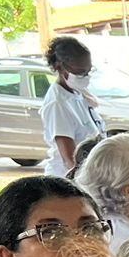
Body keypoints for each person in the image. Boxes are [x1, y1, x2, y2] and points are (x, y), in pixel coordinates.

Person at [41, 36, 104, 180]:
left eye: (88, 71)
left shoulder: (77, 93)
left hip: (89, 174)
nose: (85, 77)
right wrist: (89, 185)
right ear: (59, 67)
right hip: (70, 180)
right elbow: (69, 159)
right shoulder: (58, 103)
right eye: (80, 72)